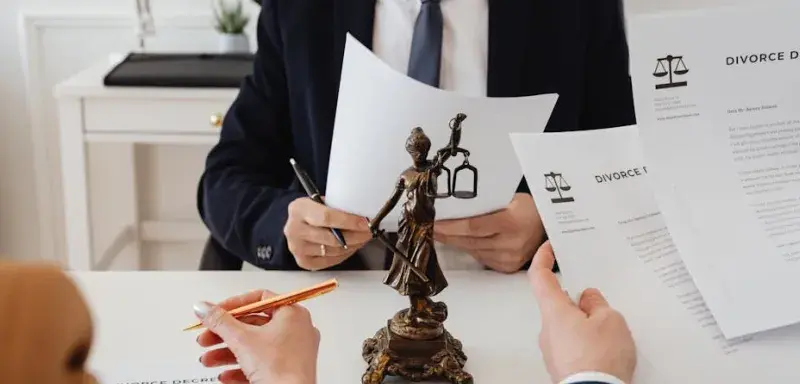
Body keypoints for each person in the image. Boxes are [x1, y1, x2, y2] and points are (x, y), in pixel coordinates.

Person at [197, 0, 636, 272]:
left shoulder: (580, 9)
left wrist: (551, 226)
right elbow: (224, 179)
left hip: (520, 305)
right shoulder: (300, 10)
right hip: (344, 301)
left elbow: (627, 167)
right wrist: (286, 226)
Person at [192, 241, 637, 384]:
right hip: (378, 258)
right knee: (413, 281)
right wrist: (592, 377)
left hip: (491, 280)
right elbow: (232, 170)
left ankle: (422, 307)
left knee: (420, 281)